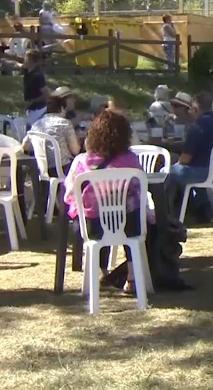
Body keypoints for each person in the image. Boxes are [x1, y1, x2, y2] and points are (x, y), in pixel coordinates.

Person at [63, 110, 153, 293]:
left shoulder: (82, 162)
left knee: (94, 215)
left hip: (92, 227)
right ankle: (132, 277)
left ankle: (102, 271)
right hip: (128, 225)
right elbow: (139, 188)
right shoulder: (131, 161)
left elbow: (70, 195)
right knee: (133, 217)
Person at [168, 91, 213, 222]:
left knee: (168, 171)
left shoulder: (197, 126)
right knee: (185, 171)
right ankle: (202, 207)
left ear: (195, 109)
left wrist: (175, 165)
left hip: (205, 173)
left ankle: (168, 212)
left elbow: (185, 159)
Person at [27, 94, 81, 170]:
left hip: (41, 168)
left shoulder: (37, 125)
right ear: (62, 108)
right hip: (62, 168)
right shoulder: (64, 123)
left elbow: (26, 147)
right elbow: (75, 150)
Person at [22, 50, 50, 125]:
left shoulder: (38, 75)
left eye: (25, 58)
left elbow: (46, 95)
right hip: (30, 110)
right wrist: (4, 58)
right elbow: (15, 64)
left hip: (38, 110)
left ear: (30, 60)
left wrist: (32, 101)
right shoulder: (28, 72)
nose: (24, 60)